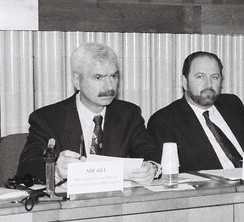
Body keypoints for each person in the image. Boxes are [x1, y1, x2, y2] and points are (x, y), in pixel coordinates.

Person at [16, 42, 160, 185]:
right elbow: (26, 168)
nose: (109, 86)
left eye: (113, 76)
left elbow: (150, 152)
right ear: (77, 81)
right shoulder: (47, 119)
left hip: (117, 204)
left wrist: (151, 167)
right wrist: (55, 171)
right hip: (70, 205)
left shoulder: (129, 114)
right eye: (98, 78)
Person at [147, 51, 244, 172]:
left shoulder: (232, 104)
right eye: (200, 77)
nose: (209, 84)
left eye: (215, 77)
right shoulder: (164, 121)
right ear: (184, 82)